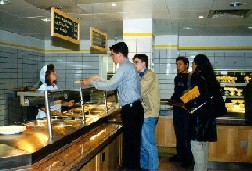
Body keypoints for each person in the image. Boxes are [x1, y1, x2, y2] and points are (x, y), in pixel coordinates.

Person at [82, 42, 144, 170]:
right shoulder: (128, 66)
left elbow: (111, 86)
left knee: (131, 144)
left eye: (113, 54)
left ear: (119, 54)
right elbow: (114, 82)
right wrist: (99, 79)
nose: (112, 57)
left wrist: (92, 82)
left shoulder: (124, 67)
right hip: (135, 109)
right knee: (133, 143)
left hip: (132, 110)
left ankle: (132, 169)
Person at [181, 54, 219, 171]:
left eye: (193, 63)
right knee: (204, 147)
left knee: (196, 149)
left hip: (198, 119)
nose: (192, 65)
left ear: (197, 64)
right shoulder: (211, 78)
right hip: (209, 119)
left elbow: (195, 97)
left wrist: (186, 103)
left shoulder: (197, 76)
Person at [133, 54, 160, 171]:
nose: (134, 65)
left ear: (144, 63)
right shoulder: (140, 76)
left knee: (149, 144)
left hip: (148, 115)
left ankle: (153, 168)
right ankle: (144, 166)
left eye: (136, 62)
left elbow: (139, 91)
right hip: (143, 114)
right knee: (143, 145)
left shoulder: (150, 76)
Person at [169, 56, 193, 167]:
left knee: (186, 135)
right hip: (177, 109)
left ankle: (188, 159)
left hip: (186, 110)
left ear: (186, 65)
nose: (178, 66)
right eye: (177, 64)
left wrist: (181, 101)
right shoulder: (177, 78)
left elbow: (191, 95)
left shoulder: (190, 77)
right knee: (178, 133)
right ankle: (180, 155)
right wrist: (173, 99)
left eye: (180, 64)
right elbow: (177, 93)